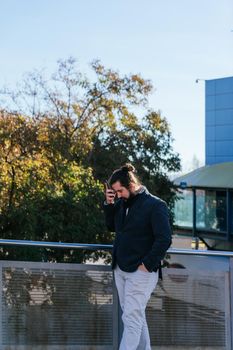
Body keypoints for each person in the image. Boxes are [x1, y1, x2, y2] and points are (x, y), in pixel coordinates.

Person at [103, 163, 172, 350]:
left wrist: (147, 265)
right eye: (115, 192)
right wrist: (109, 204)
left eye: (120, 191)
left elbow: (164, 239)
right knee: (134, 315)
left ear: (131, 185)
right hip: (120, 267)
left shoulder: (155, 205)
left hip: (141, 271)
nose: (118, 195)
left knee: (131, 318)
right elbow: (112, 227)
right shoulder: (120, 203)